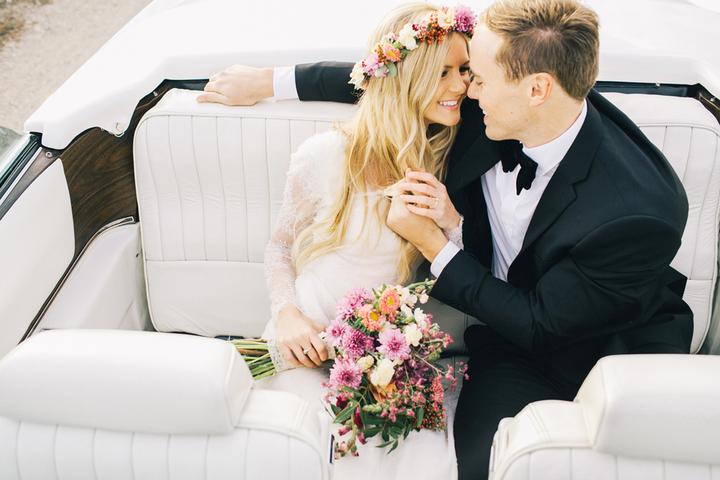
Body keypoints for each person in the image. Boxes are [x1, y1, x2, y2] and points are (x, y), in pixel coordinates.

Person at [200, 1, 693, 478]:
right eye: (463, 73)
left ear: (536, 90)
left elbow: (541, 325)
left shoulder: (641, 211)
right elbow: (398, 73)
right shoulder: (491, 104)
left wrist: (434, 243)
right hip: (503, 343)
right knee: (476, 465)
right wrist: (272, 81)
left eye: (477, 77)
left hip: (594, 343)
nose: (466, 88)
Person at [236, 4, 476, 479]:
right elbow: (279, 248)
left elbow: (472, 269)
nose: (460, 86)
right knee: (308, 448)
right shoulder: (325, 155)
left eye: (464, 69)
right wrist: (287, 316)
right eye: (443, 73)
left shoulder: (449, 161)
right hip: (301, 347)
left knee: (421, 459)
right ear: (406, 79)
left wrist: (450, 220)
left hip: (387, 358)